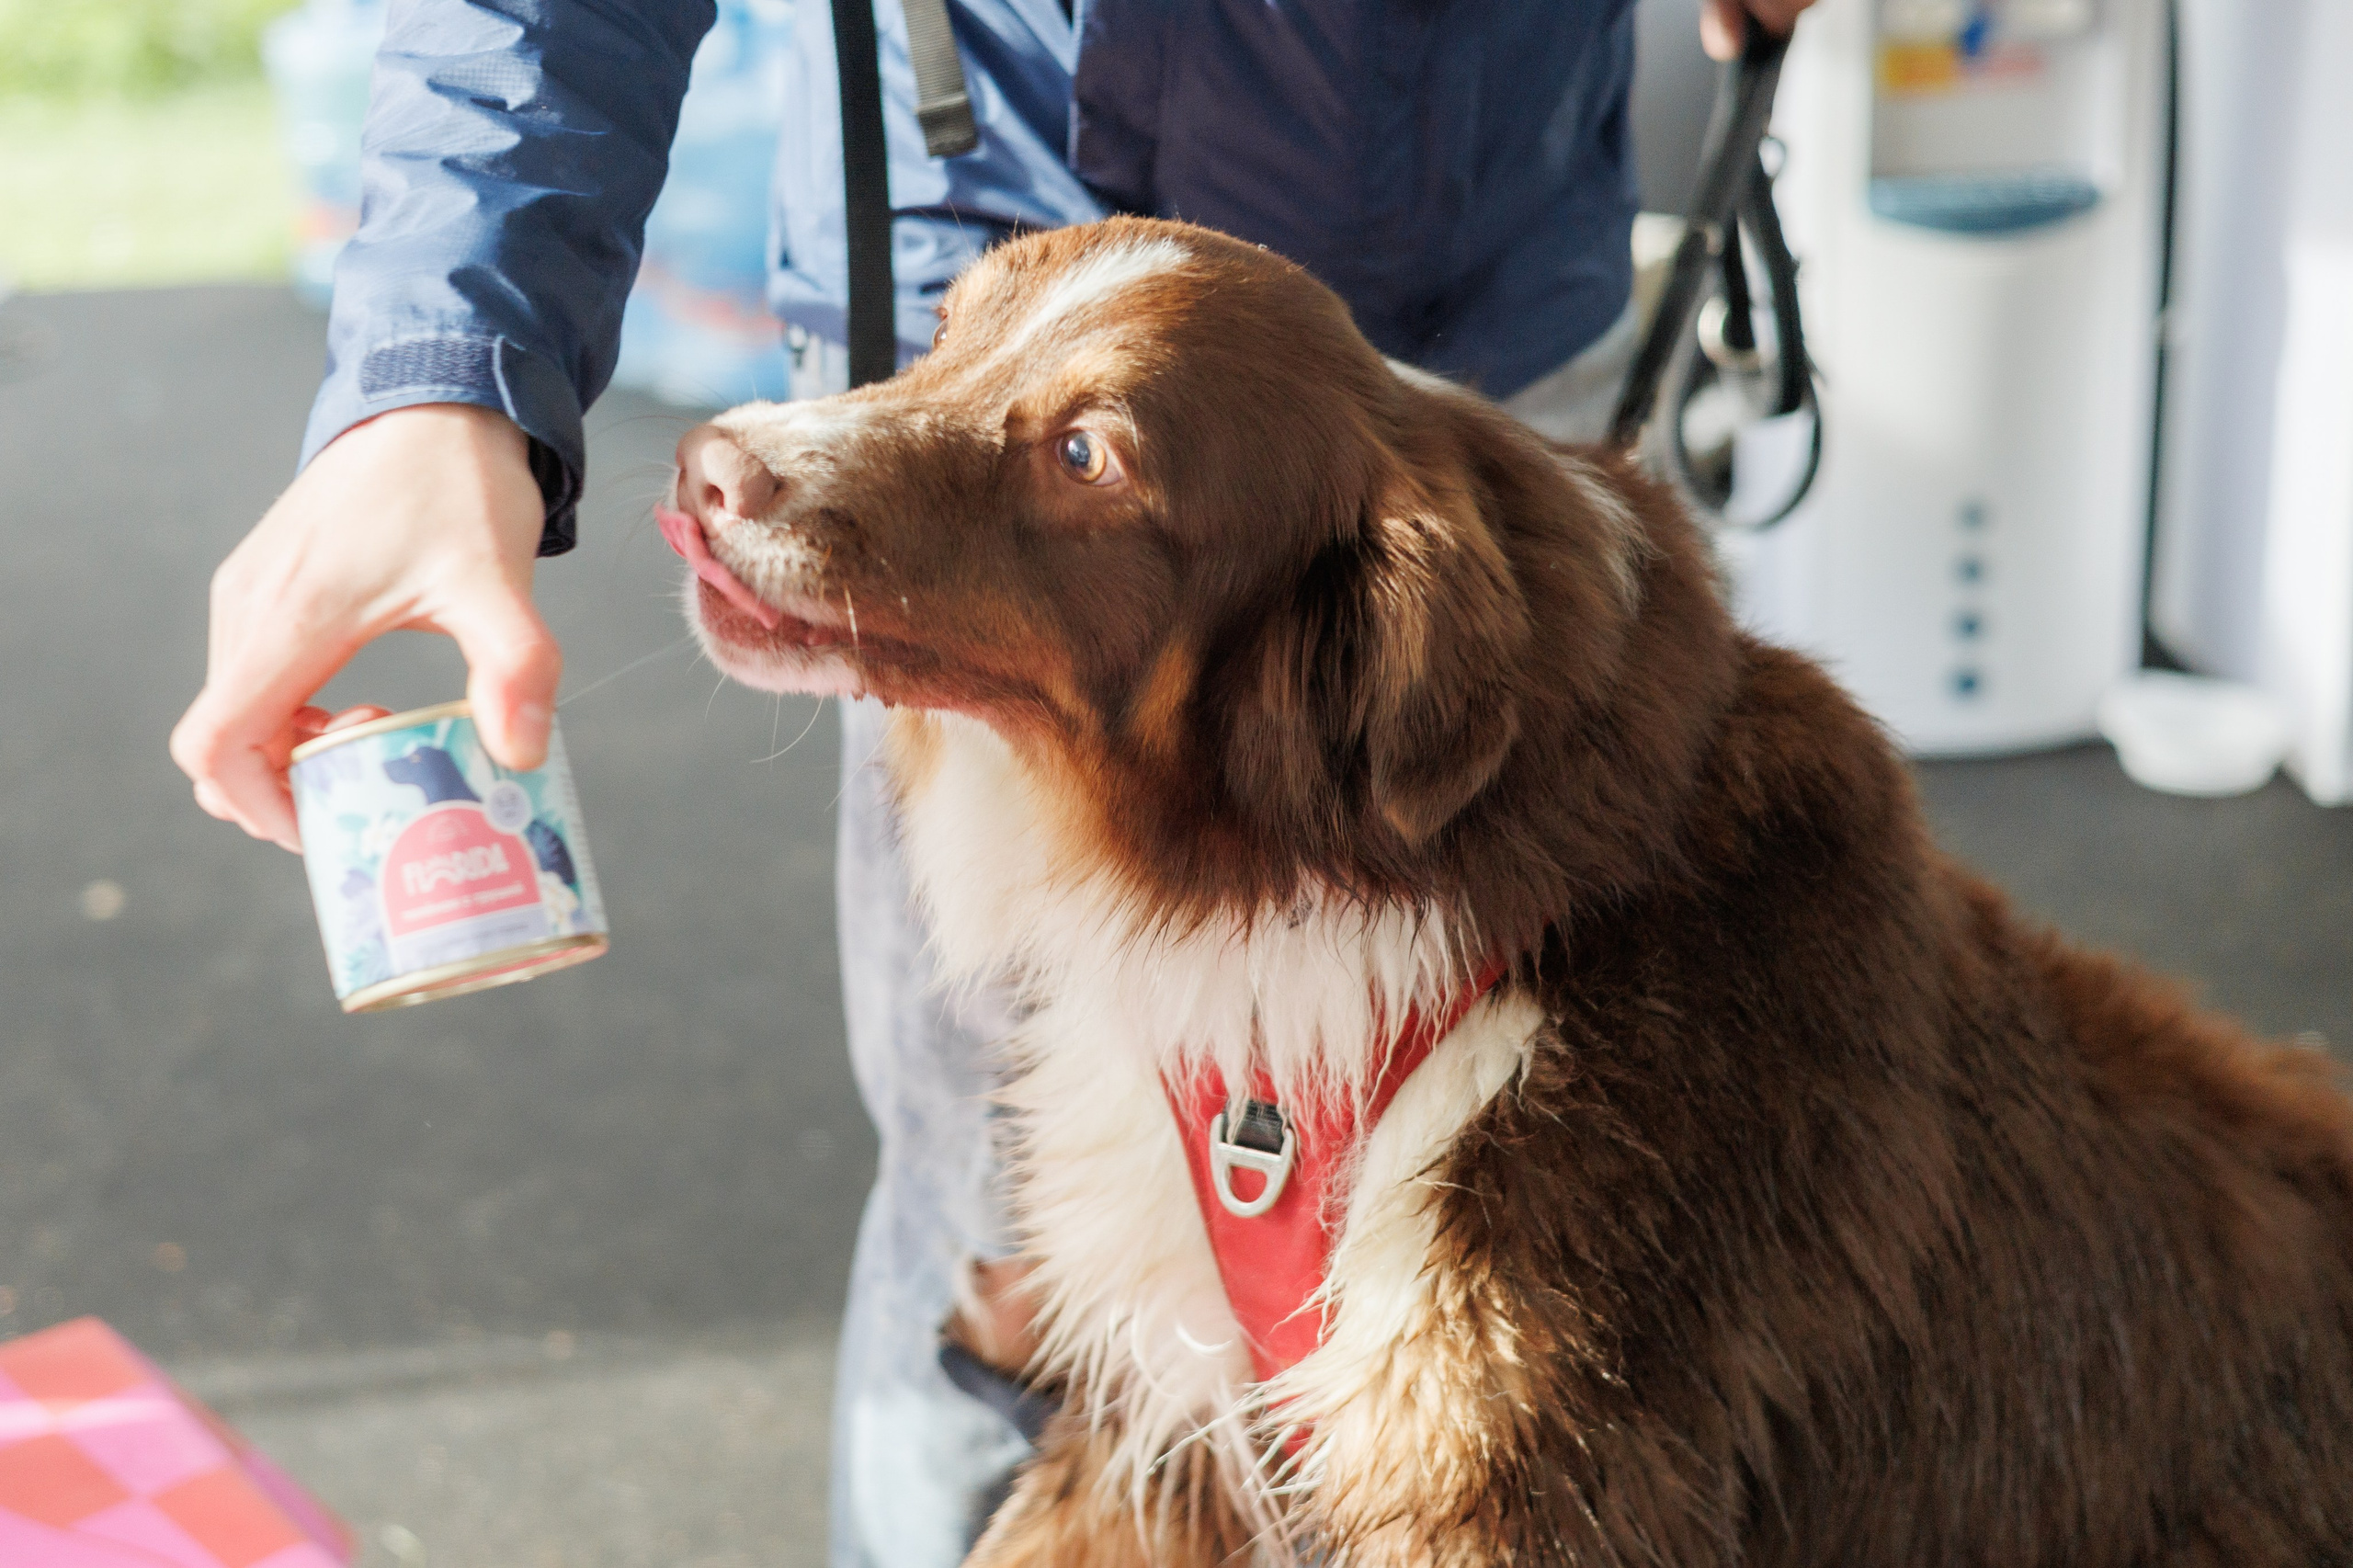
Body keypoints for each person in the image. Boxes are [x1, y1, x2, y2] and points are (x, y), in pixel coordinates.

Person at [170, 1, 1813, 1562]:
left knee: (1553, 1336)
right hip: (987, 240)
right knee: (1002, 1275)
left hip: (1485, 313)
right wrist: (444, 357)